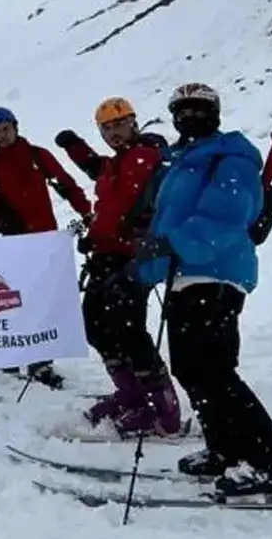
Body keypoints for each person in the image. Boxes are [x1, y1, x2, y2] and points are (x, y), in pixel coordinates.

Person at [131, 83, 272, 498]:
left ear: (215, 113)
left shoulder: (232, 157)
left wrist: (171, 243)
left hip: (217, 275)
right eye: (181, 111)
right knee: (191, 370)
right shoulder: (181, 162)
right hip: (185, 277)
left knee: (214, 371)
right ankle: (225, 449)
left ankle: (270, 464)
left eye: (198, 109)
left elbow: (227, 215)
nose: (189, 117)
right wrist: (147, 265)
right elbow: (168, 220)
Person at [56, 98, 180, 437]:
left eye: (120, 124)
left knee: (128, 330)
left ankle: (163, 410)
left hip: (132, 257)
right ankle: (132, 396)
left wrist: (102, 235)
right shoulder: (119, 160)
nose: (113, 133)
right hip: (107, 255)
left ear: (134, 123)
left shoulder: (144, 156)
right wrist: (75, 147)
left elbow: (124, 205)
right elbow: (101, 177)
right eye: (106, 128)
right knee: (97, 325)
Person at [0, 106, 92, 388]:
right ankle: (12, 357)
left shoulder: (37, 155)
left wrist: (86, 212)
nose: (2, 135)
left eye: (6, 129)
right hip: (13, 245)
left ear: (16, 127)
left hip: (44, 242)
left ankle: (40, 362)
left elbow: (66, 185)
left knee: (42, 302)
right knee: (13, 301)